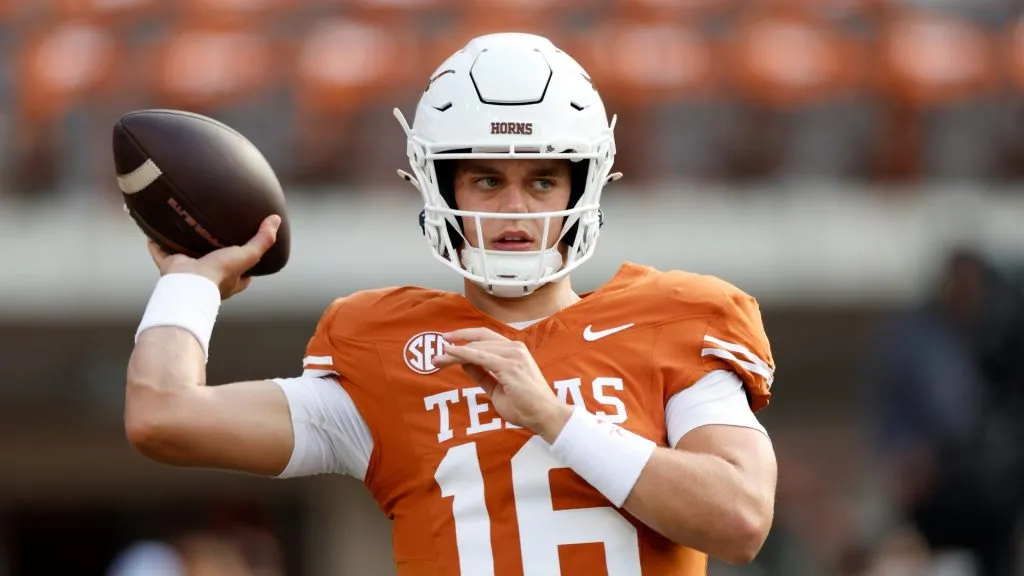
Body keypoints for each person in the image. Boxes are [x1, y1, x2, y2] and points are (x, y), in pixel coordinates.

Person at [124, 32, 779, 575]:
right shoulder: (385, 350)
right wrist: (191, 283)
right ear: (439, 185)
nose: (515, 209)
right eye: (488, 179)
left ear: (582, 187)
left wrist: (555, 418)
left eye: (543, 180)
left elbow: (741, 519)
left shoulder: (673, 319)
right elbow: (163, 415)